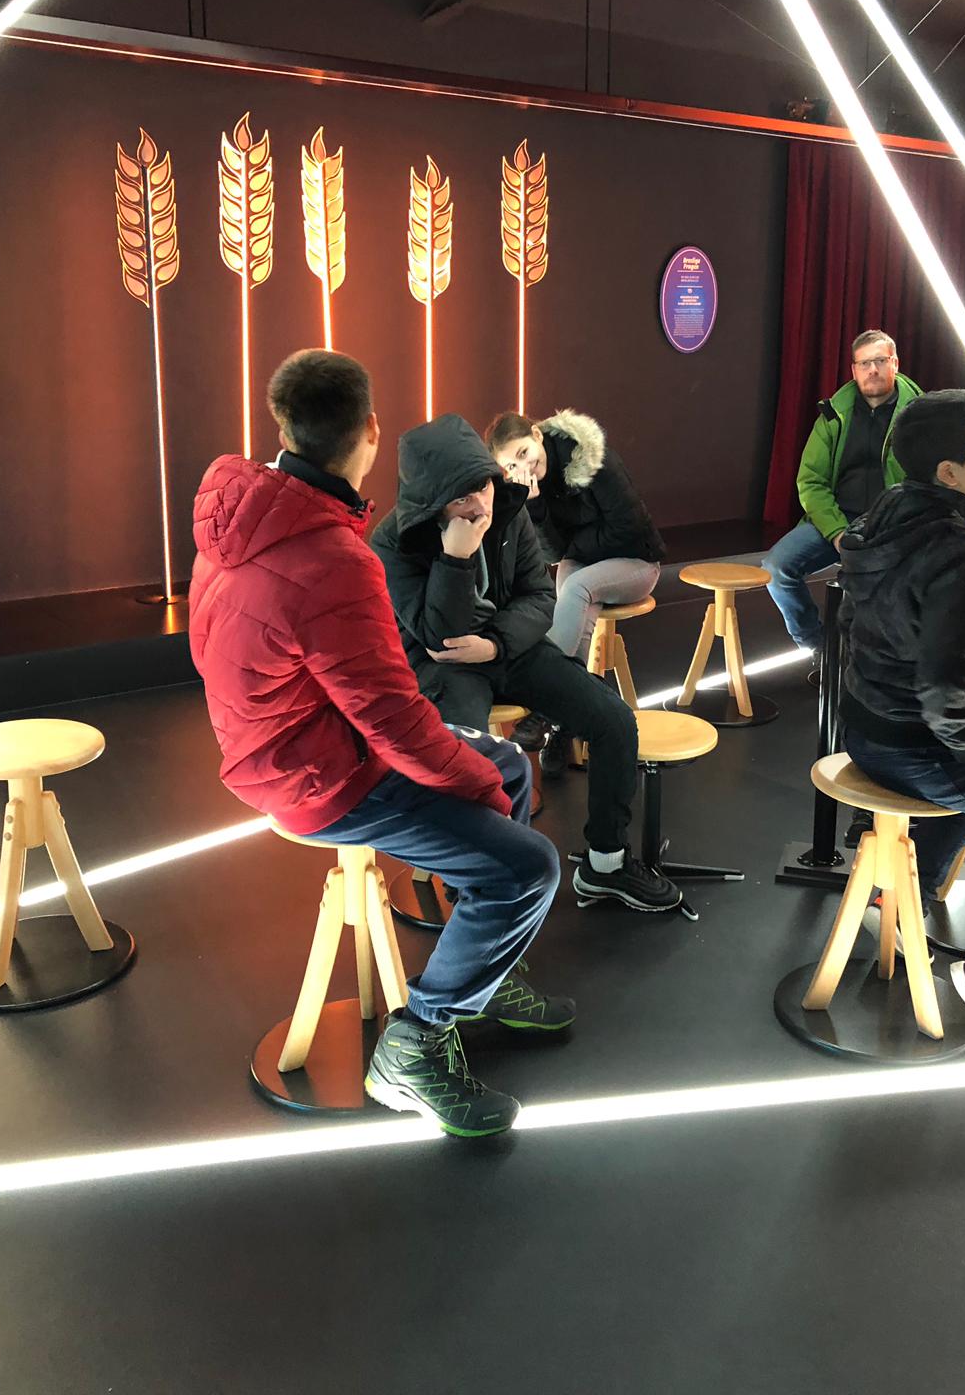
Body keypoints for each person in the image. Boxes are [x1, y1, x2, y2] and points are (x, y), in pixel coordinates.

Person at [189, 350, 571, 1138]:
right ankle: (415, 1045)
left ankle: (483, 973)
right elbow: (394, 723)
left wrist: (479, 772)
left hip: (283, 745)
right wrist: (471, 784)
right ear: (369, 428)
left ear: (284, 426)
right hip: (316, 778)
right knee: (527, 867)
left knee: (508, 763)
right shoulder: (335, 558)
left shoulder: (234, 516)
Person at [372, 413, 681, 914]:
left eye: (482, 487)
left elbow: (539, 597)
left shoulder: (508, 506)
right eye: (461, 498)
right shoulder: (394, 541)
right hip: (444, 664)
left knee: (613, 719)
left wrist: (495, 644)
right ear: (432, 502)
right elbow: (439, 634)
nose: (479, 505)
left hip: (507, 649)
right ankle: (477, 888)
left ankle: (605, 865)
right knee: (469, 761)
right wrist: (455, 559)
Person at [837, 389, 965, 1044]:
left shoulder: (889, 512)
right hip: (921, 744)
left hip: (867, 730)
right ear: (949, 472)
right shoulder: (958, 551)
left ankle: (902, 898)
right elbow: (949, 694)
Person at [484, 407, 664, 775]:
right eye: (512, 465)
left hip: (638, 562)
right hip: (587, 563)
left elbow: (629, 528)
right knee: (568, 590)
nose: (524, 466)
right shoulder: (531, 486)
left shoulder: (592, 458)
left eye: (524, 453)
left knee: (577, 585)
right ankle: (564, 723)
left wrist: (574, 548)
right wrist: (534, 507)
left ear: (537, 435)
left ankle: (544, 705)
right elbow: (553, 553)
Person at [764, 331, 922, 657]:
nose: (872, 370)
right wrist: (837, 533)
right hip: (838, 520)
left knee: (880, 585)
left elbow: (928, 483)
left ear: (895, 363)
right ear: (854, 370)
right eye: (864, 363)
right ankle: (818, 649)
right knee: (776, 569)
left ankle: (875, 659)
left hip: (892, 526)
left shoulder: (921, 416)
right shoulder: (833, 414)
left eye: (880, 361)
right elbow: (811, 482)